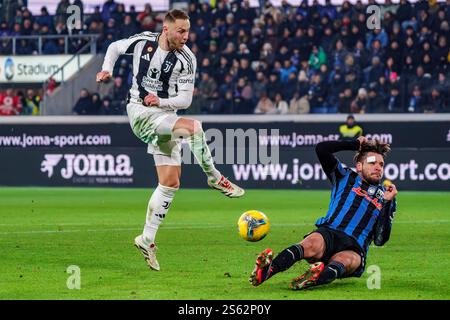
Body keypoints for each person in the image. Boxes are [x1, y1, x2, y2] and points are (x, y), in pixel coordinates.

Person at [96, 9, 244, 271]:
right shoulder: (143, 42)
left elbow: (185, 100)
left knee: (170, 183)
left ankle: (146, 239)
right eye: (181, 31)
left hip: (165, 114)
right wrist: (107, 69)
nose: (186, 36)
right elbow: (114, 47)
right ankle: (214, 177)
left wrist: (162, 101)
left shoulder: (187, 59)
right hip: (141, 113)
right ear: (166, 29)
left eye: (187, 31)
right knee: (195, 128)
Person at [250, 136, 398, 290]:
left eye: (381, 164)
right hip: (329, 233)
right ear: (359, 166)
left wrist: (387, 203)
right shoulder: (344, 176)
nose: (378, 167)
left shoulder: (386, 196)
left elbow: (381, 239)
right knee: (310, 244)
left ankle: (314, 278)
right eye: (372, 163)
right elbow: (322, 149)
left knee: (345, 260)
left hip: (354, 246)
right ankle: (266, 272)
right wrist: (353, 144)